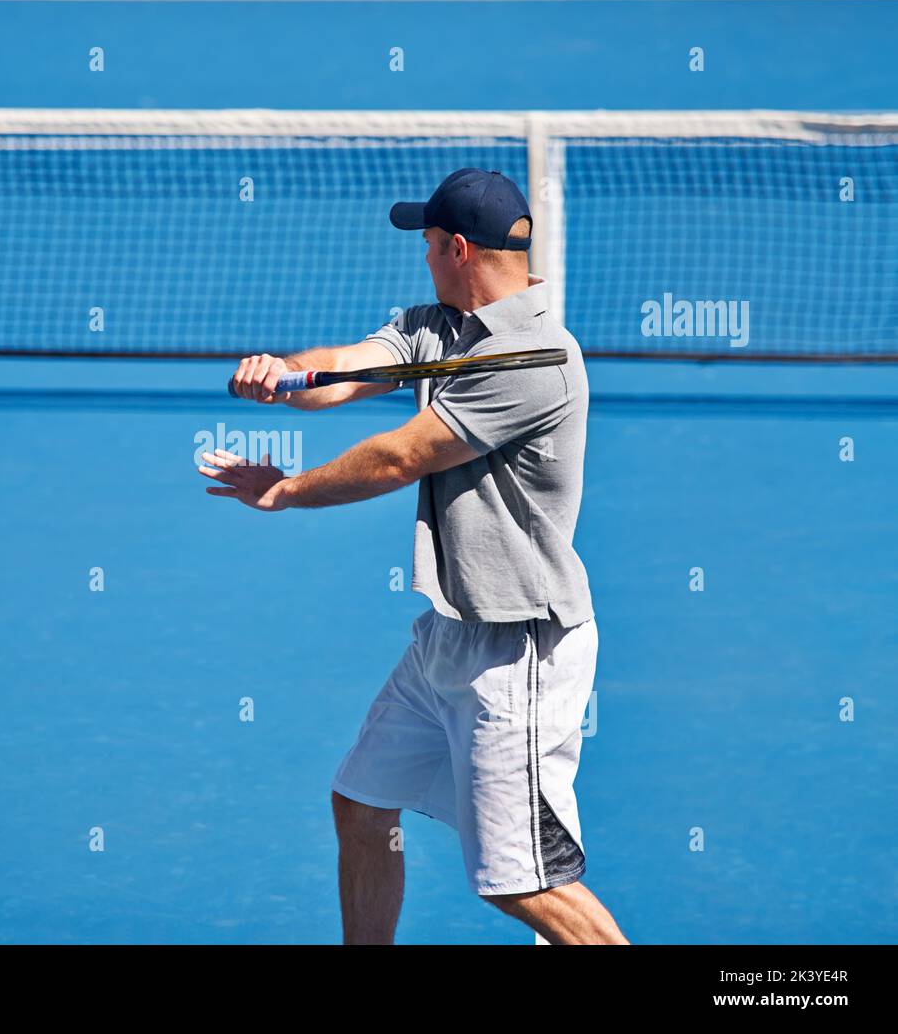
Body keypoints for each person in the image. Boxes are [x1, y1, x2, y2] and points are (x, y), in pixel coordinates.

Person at [199, 168, 628, 945]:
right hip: (448, 637)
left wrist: (287, 490)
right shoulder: (443, 324)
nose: (423, 255)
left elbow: (402, 456)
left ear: (457, 247)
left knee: (523, 882)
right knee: (361, 805)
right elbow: (351, 366)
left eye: (428, 243)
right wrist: (283, 380)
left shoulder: (536, 360)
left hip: (518, 649)